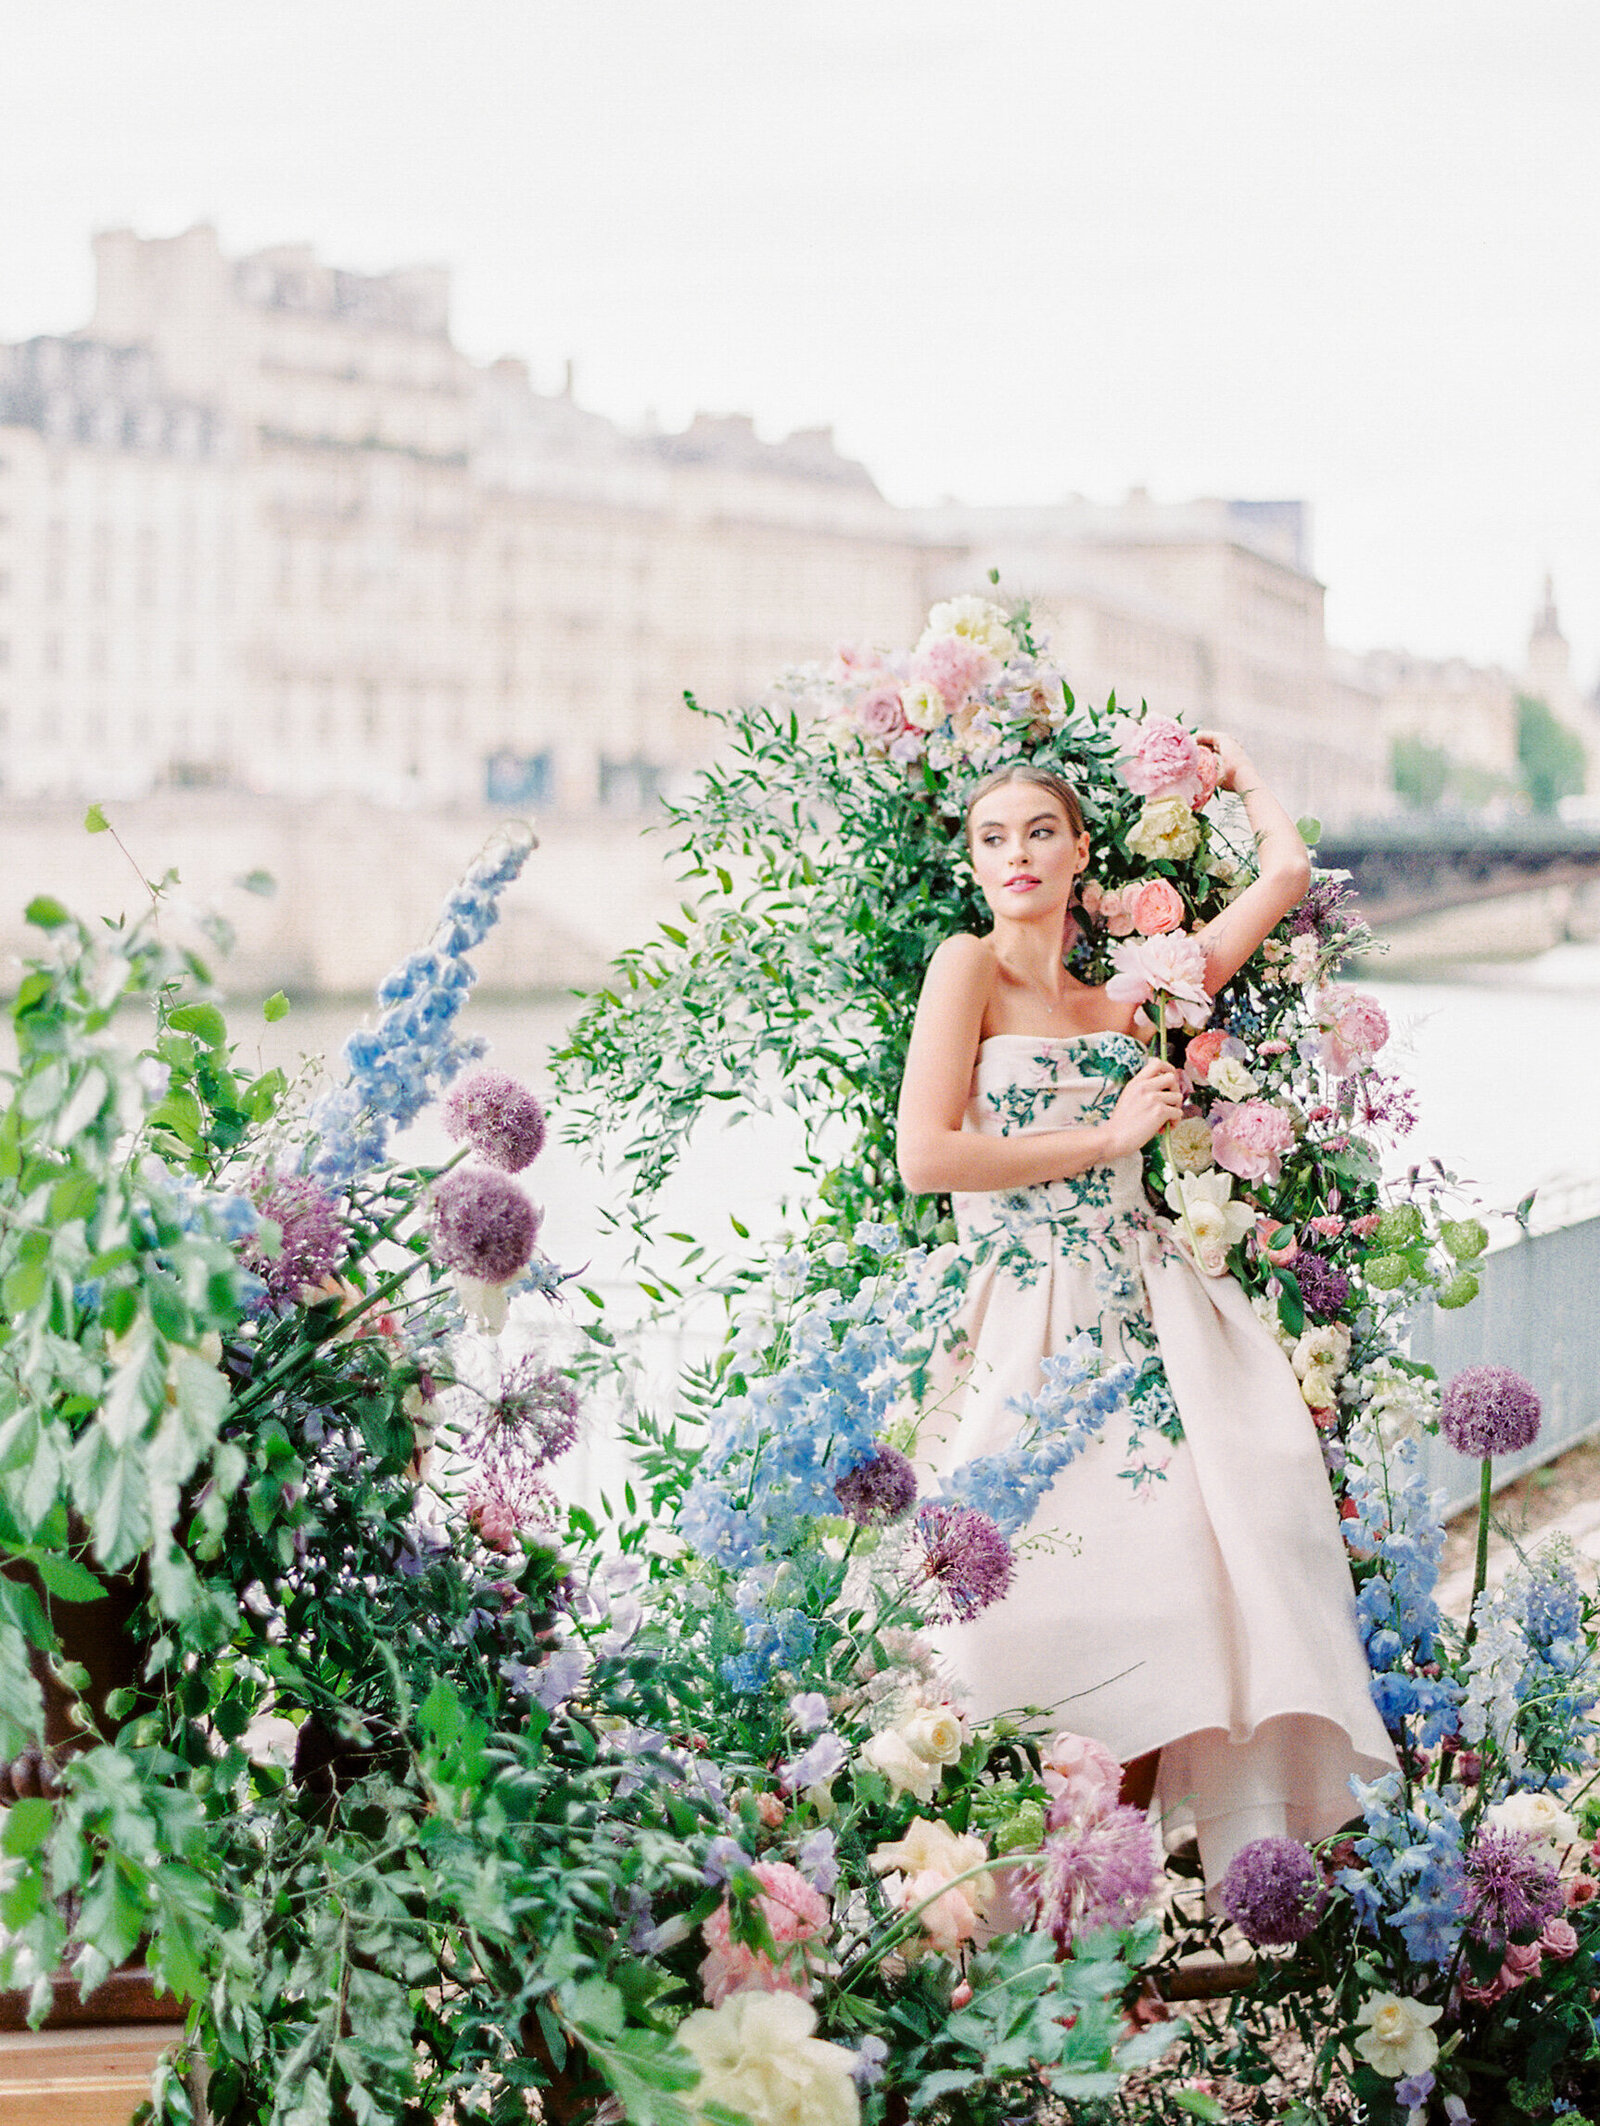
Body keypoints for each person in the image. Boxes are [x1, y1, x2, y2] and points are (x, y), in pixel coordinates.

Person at [895, 741, 1395, 1889]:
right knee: (1007, 1613)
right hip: (1020, 1315)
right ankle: (1002, 1903)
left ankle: (1107, 1917)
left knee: (1174, 1599)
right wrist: (1110, 1137)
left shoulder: (1134, 994)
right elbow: (927, 1155)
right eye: (991, 836)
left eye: (1038, 832)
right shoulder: (965, 965)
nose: (1014, 853)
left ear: (1080, 854)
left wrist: (1239, 777)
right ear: (974, 862)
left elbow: (1282, 873)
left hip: (1148, 1322)